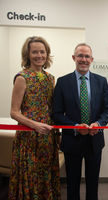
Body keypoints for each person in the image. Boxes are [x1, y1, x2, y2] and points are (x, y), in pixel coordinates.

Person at [53, 43, 108, 200]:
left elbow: (107, 111)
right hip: (72, 140)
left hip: (94, 139)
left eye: (87, 56)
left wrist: (99, 124)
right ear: (74, 58)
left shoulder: (101, 81)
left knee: (93, 183)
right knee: (72, 184)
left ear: (92, 59)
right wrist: (74, 126)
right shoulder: (62, 82)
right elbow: (57, 113)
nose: (83, 59)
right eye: (80, 56)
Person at [8, 36, 61, 199]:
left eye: (42, 52)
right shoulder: (22, 78)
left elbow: (51, 109)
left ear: (47, 54)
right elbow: (14, 112)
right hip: (28, 138)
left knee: (45, 175)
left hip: (47, 137)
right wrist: (35, 125)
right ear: (28, 54)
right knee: (30, 176)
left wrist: (57, 133)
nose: (39, 55)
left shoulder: (50, 78)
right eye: (35, 52)